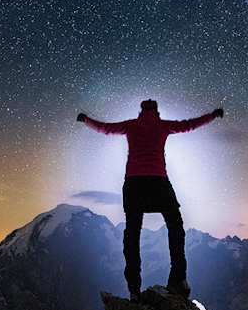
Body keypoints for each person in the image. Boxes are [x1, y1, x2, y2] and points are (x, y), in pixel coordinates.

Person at [77, 99, 222, 298]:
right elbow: (189, 125)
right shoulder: (162, 126)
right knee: (175, 225)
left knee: (132, 233)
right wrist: (212, 116)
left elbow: (106, 129)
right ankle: (178, 279)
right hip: (158, 182)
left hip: (134, 183)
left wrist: (86, 120)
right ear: (156, 111)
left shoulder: (131, 126)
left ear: (141, 111)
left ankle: (134, 288)